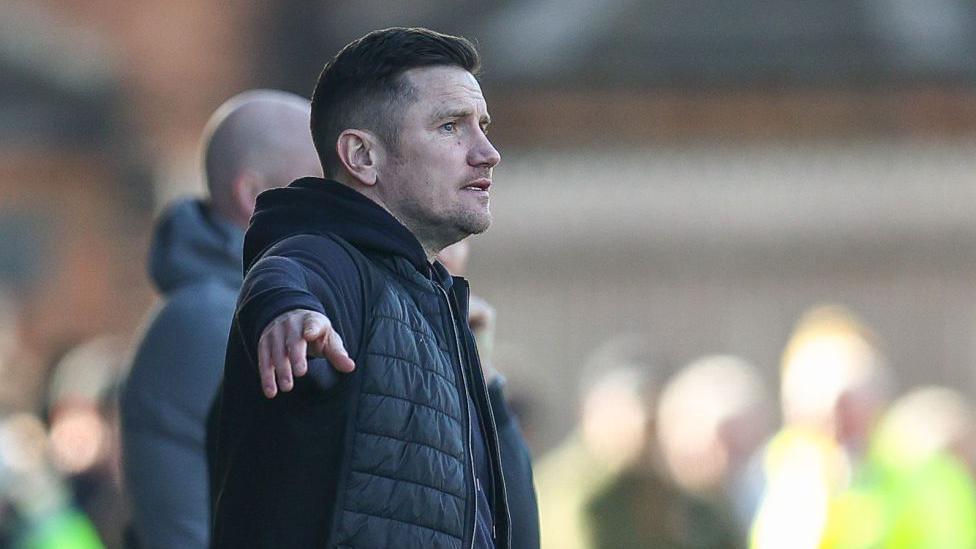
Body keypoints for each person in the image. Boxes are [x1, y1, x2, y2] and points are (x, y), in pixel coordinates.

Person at [209, 28, 537, 548]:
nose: (488, 152)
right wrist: (288, 311)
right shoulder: (332, 260)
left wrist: (486, 377)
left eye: (483, 126)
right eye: (450, 127)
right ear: (361, 156)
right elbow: (285, 269)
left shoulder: (427, 298)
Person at [119, 90, 321, 549]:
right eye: (319, 184)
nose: (340, 206)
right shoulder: (211, 320)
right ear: (253, 195)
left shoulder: (248, 306)